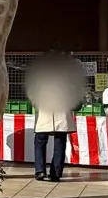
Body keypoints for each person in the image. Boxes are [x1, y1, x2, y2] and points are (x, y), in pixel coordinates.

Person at [26, 51, 85, 182]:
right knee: (60, 143)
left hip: (44, 113)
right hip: (62, 114)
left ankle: (40, 171)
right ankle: (56, 173)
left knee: (40, 141)